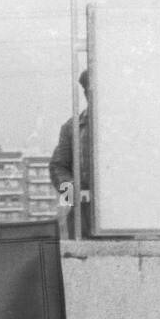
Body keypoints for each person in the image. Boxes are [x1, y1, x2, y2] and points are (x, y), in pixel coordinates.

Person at [49, 68, 91, 235]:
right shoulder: (72, 127)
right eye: (89, 90)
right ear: (86, 93)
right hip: (82, 214)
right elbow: (58, 167)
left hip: (118, 213)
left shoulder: (120, 127)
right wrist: (72, 193)